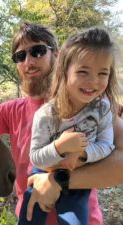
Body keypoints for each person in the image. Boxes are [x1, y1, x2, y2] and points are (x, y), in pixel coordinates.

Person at [0, 22, 105, 224]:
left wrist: (58, 181)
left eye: (37, 51)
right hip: (29, 216)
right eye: (20, 56)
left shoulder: (85, 101)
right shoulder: (10, 110)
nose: (28, 62)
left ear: (56, 54)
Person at [18, 27, 120, 225]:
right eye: (83, 72)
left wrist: (81, 154)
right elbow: (36, 157)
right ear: (64, 71)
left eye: (103, 73)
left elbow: (107, 145)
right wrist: (61, 147)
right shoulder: (46, 115)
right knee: (29, 216)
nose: (93, 81)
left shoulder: (104, 109)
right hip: (44, 172)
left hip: (80, 177)